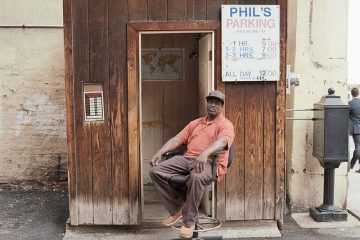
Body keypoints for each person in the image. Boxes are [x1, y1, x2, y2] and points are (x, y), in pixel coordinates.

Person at [149, 90, 235, 238]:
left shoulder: (225, 124)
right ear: (207, 103)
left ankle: (188, 223)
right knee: (155, 170)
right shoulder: (195, 123)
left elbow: (222, 141)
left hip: (210, 163)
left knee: (196, 177)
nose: (212, 105)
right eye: (210, 101)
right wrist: (160, 152)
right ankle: (177, 209)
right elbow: (177, 139)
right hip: (188, 159)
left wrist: (205, 153)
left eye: (217, 103)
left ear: (222, 106)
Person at [349, 87, 360, 173]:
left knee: (358, 148)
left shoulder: (350, 103)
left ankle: (351, 164)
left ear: (352, 94)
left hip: (356, 129)